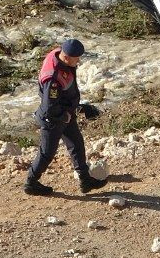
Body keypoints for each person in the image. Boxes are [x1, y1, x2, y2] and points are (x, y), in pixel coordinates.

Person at [25, 38, 107, 196]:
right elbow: (50, 107)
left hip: (65, 112)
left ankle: (85, 180)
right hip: (54, 119)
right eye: (77, 58)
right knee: (47, 152)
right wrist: (64, 117)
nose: (79, 61)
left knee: (76, 144)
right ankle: (31, 182)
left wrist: (75, 109)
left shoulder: (58, 54)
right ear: (67, 57)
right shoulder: (53, 79)